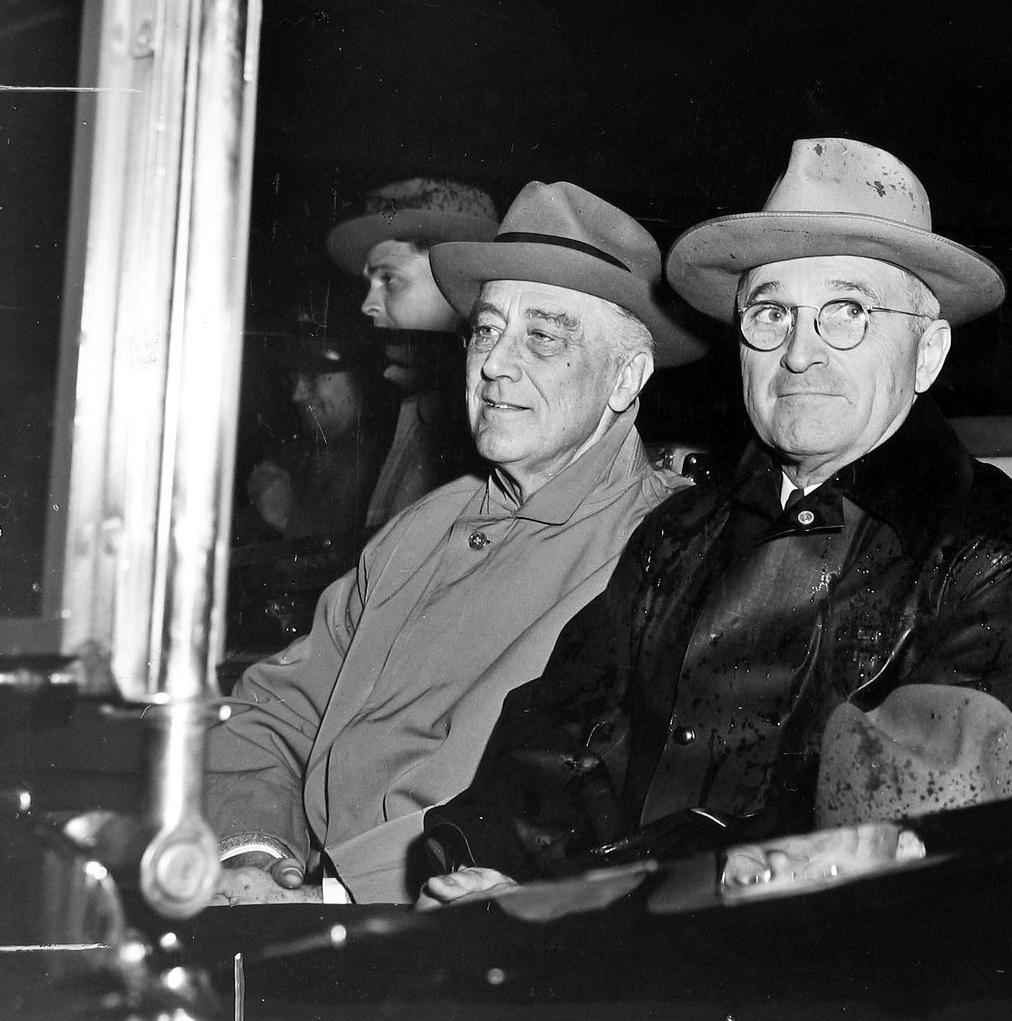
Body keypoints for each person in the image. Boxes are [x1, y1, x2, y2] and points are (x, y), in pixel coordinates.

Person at [418, 136, 1012, 898]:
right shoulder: (679, 533)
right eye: (771, 315)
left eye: (846, 313)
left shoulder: (993, 556)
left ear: (927, 354)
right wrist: (490, 863)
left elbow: (894, 855)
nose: (798, 355)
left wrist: (589, 901)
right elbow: (560, 734)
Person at [205, 181, 706, 904]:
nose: (496, 363)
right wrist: (255, 849)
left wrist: (336, 896)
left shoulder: (664, 551)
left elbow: (584, 814)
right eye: (487, 329)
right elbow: (278, 710)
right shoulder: (428, 523)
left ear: (627, 376)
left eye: (543, 335)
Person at [326, 177, 499, 525]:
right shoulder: (414, 408)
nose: (367, 305)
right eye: (368, 284)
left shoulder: (488, 433)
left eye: (389, 279)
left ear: (463, 286)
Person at [243, 322, 393, 542]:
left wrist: (287, 518)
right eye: (294, 378)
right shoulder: (300, 449)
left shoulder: (377, 460)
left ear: (357, 375)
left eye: (314, 375)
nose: (297, 394)